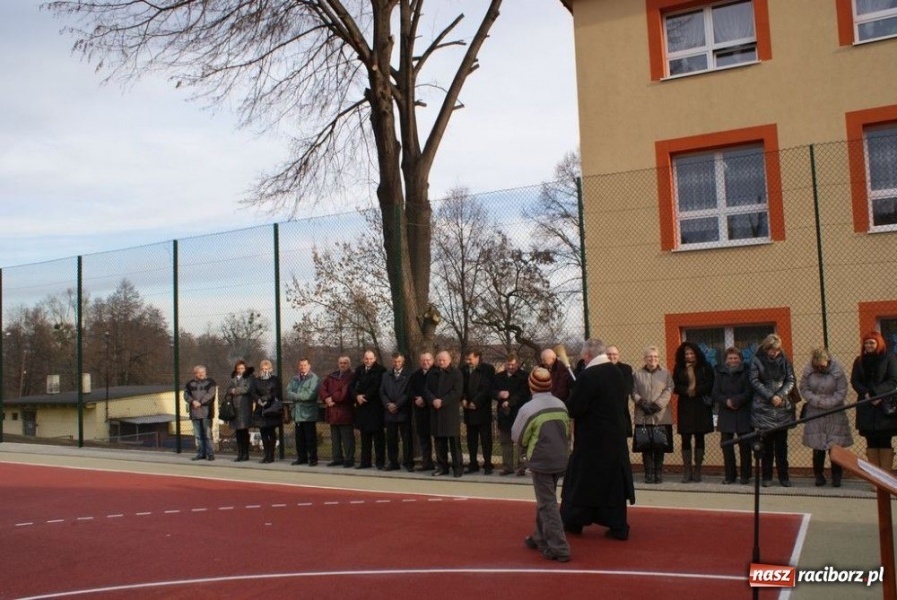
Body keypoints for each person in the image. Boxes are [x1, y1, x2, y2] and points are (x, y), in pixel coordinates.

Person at [560, 339, 635, 541]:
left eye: (584, 356)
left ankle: (574, 521)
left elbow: (575, 408)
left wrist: (574, 395)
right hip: (615, 437)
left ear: (588, 356)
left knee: (583, 480)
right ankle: (618, 525)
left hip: (592, 440)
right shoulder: (618, 373)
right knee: (613, 484)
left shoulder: (589, 376)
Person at [512, 367, 571, 563]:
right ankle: (539, 536)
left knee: (548, 504)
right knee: (546, 499)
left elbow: (518, 436)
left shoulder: (529, 409)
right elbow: (567, 432)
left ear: (531, 385)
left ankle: (559, 547)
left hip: (541, 460)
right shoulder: (561, 404)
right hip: (560, 458)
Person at [750, 334, 797, 487]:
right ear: (765, 348)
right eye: (771, 350)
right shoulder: (757, 360)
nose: (774, 353)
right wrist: (770, 396)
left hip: (782, 408)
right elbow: (754, 380)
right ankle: (767, 477)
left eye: (776, 350)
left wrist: (781, 395)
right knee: (767, 446)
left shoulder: (785, 360)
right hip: (764, 408)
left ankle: (784, 477)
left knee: (782, 446)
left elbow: (790, 379)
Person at [800, 347, 851, 487]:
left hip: (834, 412)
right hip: (815, 411)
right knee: (818, 446)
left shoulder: (837, 371)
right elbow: (804, 389)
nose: (820, 368)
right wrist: (816, 401)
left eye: (822, 366)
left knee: (834, 446)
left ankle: (836, 476)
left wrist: (829, 403)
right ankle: (818, 475)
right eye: (817, 366)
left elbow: (842, 390)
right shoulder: (808, 371)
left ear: (827, 360)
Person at [851, 331, 897, 473]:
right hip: (866, 406)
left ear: (879, 343)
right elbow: (855, 380)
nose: (868, 345)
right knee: (870, 442)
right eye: (866, 342)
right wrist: (865, 394)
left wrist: (876, 395)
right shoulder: (859, 361)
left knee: (884, 441)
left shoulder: (889, 358)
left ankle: (885, 477)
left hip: (884, 407)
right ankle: (875, 478)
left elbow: (893, 380)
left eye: (871, 342)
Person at [672, 341, 715, 483]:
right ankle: (687, 470)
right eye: (687, 354)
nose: (689, 356)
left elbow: (710, 383)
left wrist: (695, 390)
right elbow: (675, 385)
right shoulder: (678, 367)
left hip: (701, 404)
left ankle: (698, 469)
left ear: (696, 354)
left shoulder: (705, 366)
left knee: (699, 436)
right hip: (685, 404)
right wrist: (686, 391)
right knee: (685, 437)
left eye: (691, 353)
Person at [631, 346, 673, 484]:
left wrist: (657, 405)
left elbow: (669, 390)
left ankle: (658, 474)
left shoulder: (666, 374)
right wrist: (641, 402)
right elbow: (633, 391)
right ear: (644, 358)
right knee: (646, 446)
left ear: (658, 358)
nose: (652, 359)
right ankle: (648, 474)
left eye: (655, 357)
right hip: (643, 416)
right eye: (649, 356)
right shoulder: (637, 374)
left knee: (659, 446)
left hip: (660, 416)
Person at [712, 348, 752, 485]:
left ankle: (745, 475)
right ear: (726, 360)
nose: (733, 360)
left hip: (743, 413)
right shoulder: (720, 373)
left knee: (745, 446)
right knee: (727, 446)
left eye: (735, 358)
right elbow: (715, 392)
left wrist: (736, 401)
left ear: (740, 359)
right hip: (726, 413)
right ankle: (730, 476)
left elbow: (749, 391)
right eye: (730, 358)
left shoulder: (747, 372)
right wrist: (726, 401)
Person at [424, 350, 464, 477]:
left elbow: (457, 392)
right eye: (439, 360)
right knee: (439, 442)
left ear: (449, 360)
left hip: (450, 412)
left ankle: (457, 468)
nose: (441, 362)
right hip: (436, 412)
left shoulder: (456, 373)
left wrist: (442, 401)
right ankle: (442, 467)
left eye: (444, 360)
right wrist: (433, 400)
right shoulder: (432, 373)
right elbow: (426, 390)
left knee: (454, 442)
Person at [492, 354, 530, 476]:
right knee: (505, 441)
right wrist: (499, 394)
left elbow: (523, 393)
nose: (510, 366)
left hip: (519, 412)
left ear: (517, 364)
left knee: (522, 442)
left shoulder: (524, 376)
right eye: (508, 364)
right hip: (504, 414)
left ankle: (522, 467)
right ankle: (507, 466)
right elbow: (490, 391)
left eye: (513, 364)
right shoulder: (498, 377)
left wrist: (510, 401)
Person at [462, 350, 496, 474]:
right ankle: (473, 463)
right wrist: (464, 399)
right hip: (469, 411)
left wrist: (475, 402)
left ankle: (487, 464)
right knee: (471, 439)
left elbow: (486, 388)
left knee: (486, 439)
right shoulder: (464, 369)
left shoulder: (488, 369)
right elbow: (462, 387)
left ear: (477, 357)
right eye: (467, 359)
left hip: (482, 409)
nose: (468, 362)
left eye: (470, 359)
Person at [353, 350, 387, 470]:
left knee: (378, 438)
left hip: (375, 408)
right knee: (365, 437)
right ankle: (365, 461)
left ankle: (380, 462)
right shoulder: (359, 370)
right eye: (366, 359)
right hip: (362, 408)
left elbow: (377, 386)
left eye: (371, 358)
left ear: (375, 358)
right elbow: (352, 385)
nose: (368, 361)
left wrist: (365, 396)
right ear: (363, 359)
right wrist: (357, 396)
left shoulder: (381, 370)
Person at [380, 352, 413, 472]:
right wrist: (388, 404)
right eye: (395, 361)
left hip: (403, 411)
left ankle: (408, 462)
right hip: (389, 412)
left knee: (407, 439)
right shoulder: (386, 375)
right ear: (391, 361)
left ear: (402, 361)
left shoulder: (409, 375)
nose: (397, 363)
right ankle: (393, 462)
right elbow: (382, 391)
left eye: (399, 361)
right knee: (391, 439)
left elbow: (408, 393)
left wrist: (397, 404)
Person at [320, 356, 356, 468]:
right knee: (335, 438)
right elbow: (322, 388)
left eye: (345, 363)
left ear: (349, 364)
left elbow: (345, 392)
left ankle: (349, 459)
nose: (342, 364)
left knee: (347, 438)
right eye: (340, 362)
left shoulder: (352, 377)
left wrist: (333, 399)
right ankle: (337, 458)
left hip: (345, 411)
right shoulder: (331, 376)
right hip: (332, 412)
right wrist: (326, 398)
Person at [286, 357, 321, 466]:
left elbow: (311, 395)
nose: (302, 367)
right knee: (299, 438)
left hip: (308, 414)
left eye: (305, 365)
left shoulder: (314, 378)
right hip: (297, 413)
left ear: (309, 366)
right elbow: (288, 391)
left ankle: (313, 459)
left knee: (310, 438)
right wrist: (296, 396)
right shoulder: (295, 379)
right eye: (301, 365)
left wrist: (295, 396)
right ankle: (301, 458)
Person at [251, 359, 283, 464]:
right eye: (263, 369)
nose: (265, 371)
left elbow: (276, 392)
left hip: (271, 408)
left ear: (271, 369)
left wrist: (266, 398)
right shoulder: (256, 380)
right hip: (260, 409)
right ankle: (266, 455)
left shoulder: (274, 379)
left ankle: (271, 455)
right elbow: (253, 392)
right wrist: (258, 400)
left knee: (271, 432)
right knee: (263, 432)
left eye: (267, 369)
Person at [185, 365, 217, 461]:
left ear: (205, 372)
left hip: (206, 413)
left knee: (207, 435)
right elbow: (186, 395)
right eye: (199, 372)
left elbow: (211, 394)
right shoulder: (190, 383)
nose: (201, 373)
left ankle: (210, 454)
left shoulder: (211, 382)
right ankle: (201, 454)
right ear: (195, 373)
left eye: (203, 371)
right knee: (198, 436)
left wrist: (200, 402)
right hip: (194, 413)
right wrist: (192, 401)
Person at [410, 352, 436, 471]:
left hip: (434, 410)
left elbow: (438, 390)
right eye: (423, 360)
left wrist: (425, 399)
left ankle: (441, 463)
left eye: (428, 360)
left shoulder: (437, 373)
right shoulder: (415, 375)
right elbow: (411, 390)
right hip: (420, 411)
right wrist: (416, 398)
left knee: (438, 439)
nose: (425, 362)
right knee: (424, 439)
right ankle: (427, 462)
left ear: (432, 360)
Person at [224, 360, 254, 462]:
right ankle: (240, 453)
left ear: (245, 369)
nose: (240, 370)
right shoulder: (233, 379)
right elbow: (227, 389)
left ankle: (246, 454)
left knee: (244, 431)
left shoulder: (249, 378)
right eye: (238, 369)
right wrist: (231, 390)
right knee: (238, 432)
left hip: (244, 407)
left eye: (242, 368)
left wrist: (235, 390)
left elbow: (247, 389)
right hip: (234, 408)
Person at [606, 345, 634, 439]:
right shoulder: (599, 369)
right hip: (604, 413)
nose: (612, 356)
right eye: (609, 354)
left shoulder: (626, 369)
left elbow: (627, 388)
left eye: (614, 354)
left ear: (618, 355)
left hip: (620, 411)